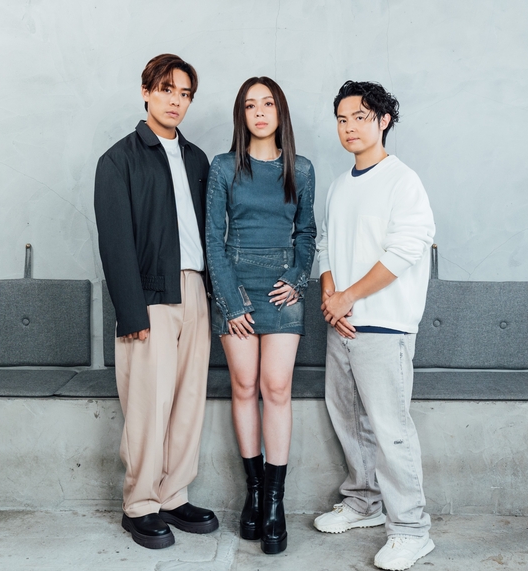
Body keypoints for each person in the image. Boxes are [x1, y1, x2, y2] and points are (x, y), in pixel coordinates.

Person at [93, 54, 218, 550]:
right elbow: (115, 242)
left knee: (188, 400)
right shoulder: (118, 160)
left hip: (196, 292)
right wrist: (131, 311)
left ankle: (173, 494)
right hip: (149, 296)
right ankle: (140, 504)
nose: (176, 101)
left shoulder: (197, 159)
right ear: (146, 91)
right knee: (149, 403)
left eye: (185, 94)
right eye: (167, 90)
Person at [314, 80, 436, 570]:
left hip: (384, 325)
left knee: (390, 430)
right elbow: (325, 244)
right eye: (342, 119)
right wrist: (331, 296)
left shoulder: (403, 181)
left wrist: (348, 298)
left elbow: (407, 249)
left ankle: (411, 530)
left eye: (361, 117)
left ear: (384, 121)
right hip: (341, 324)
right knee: (349, 421)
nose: (350, 127)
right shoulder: (339, 186)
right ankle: (364, 502)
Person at [205, 76, 316, 555]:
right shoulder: (223, 167)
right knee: (245, 385)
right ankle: (253, 492)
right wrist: (230, 301)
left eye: (267, 103)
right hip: (236, 281)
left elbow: (307, 233)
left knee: (276, 387)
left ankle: (274, 501)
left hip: (282, 288)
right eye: (250, 106)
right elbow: (213, 238)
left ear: (279, 111)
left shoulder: (301, 168)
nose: (260, 112)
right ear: (242, 115)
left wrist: (297, 278)